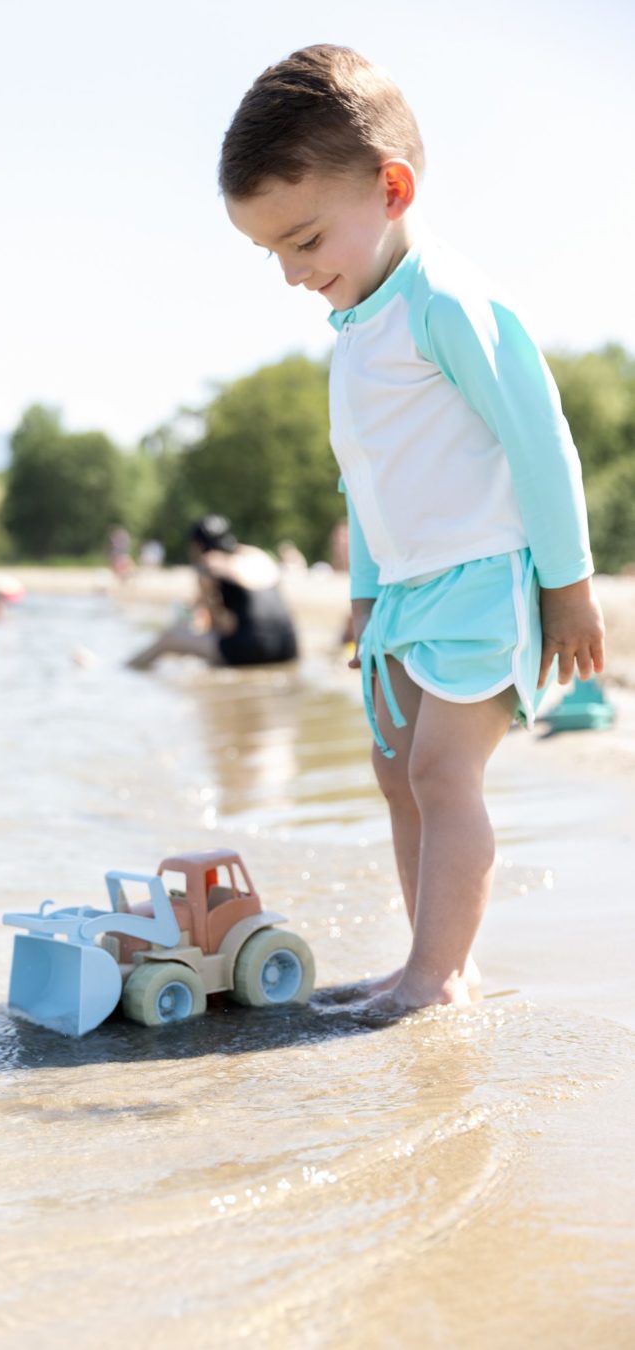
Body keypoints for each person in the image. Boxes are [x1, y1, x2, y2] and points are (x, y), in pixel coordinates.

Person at [220, 45, 605, 1018]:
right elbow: (366, 476)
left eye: (305, 241)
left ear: (391, 188)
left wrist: (567, 584)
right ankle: (437, 962)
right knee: (395, 774)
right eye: (273, 254)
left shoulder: (444, 302)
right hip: (403, 592)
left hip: (483, 576)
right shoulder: (356, 328)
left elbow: (539, 438)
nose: (294, 273)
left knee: (442, 772)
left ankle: (433, 984)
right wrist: (362, 594)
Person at [127, 515, 298, 670]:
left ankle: (127, 668)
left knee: (168, 640)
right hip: (288, 649)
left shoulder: (208, 566)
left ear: (197, 546)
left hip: (251, 653)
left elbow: (223, 626)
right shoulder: (256, 554)